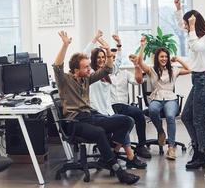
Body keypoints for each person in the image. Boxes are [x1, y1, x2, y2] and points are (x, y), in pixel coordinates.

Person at [53, 31, 140, 185]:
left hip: (91, 116)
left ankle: (108, 156)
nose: (89, 69)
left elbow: (107, 70)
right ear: (75, 70)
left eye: (88, 67)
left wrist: (108, 51)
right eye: (86, 67)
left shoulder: (87, 79)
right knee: (99, 133)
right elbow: (57, 66)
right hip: (75, 122)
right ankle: (119, 172)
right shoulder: (65, 80)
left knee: (127, 121)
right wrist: (65, 45)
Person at [87, 33, 147, 168]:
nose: (101, 60)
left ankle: (113, 151)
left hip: (108, 111)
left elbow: (118, 61)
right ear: (93, 60)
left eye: (103, 57)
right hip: (97, 112)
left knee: (128, 121)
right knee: (126, 122)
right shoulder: (90, 73)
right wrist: (94, 39)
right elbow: (85, 55)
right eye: (98, 58)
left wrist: (119, 45)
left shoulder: (107, 73)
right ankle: (129, 156)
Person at [174, 0, 205, 168]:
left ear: (194, 24)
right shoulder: (195, 35)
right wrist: (178, 9)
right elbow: (180, 26)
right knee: (186, 117)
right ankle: (198, 148)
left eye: (188, 24)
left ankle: (202, 155)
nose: (185, 27)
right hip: (197, 81)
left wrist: (191, 27)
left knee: (198, 120)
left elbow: (196, 46)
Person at [133, 37, 190, 160]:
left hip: (171, 98)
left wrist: (178, 59)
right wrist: (142, 46)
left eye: (166, 57)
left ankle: (171, 147)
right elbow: (140, 62)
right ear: (157, 58)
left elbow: (189, 69)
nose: (164, 59)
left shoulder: (174, 70)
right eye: (161, 57)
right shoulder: (151, 70)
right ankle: (160, 131)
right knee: (152, 110)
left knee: (170, 116)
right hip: (157, 98)